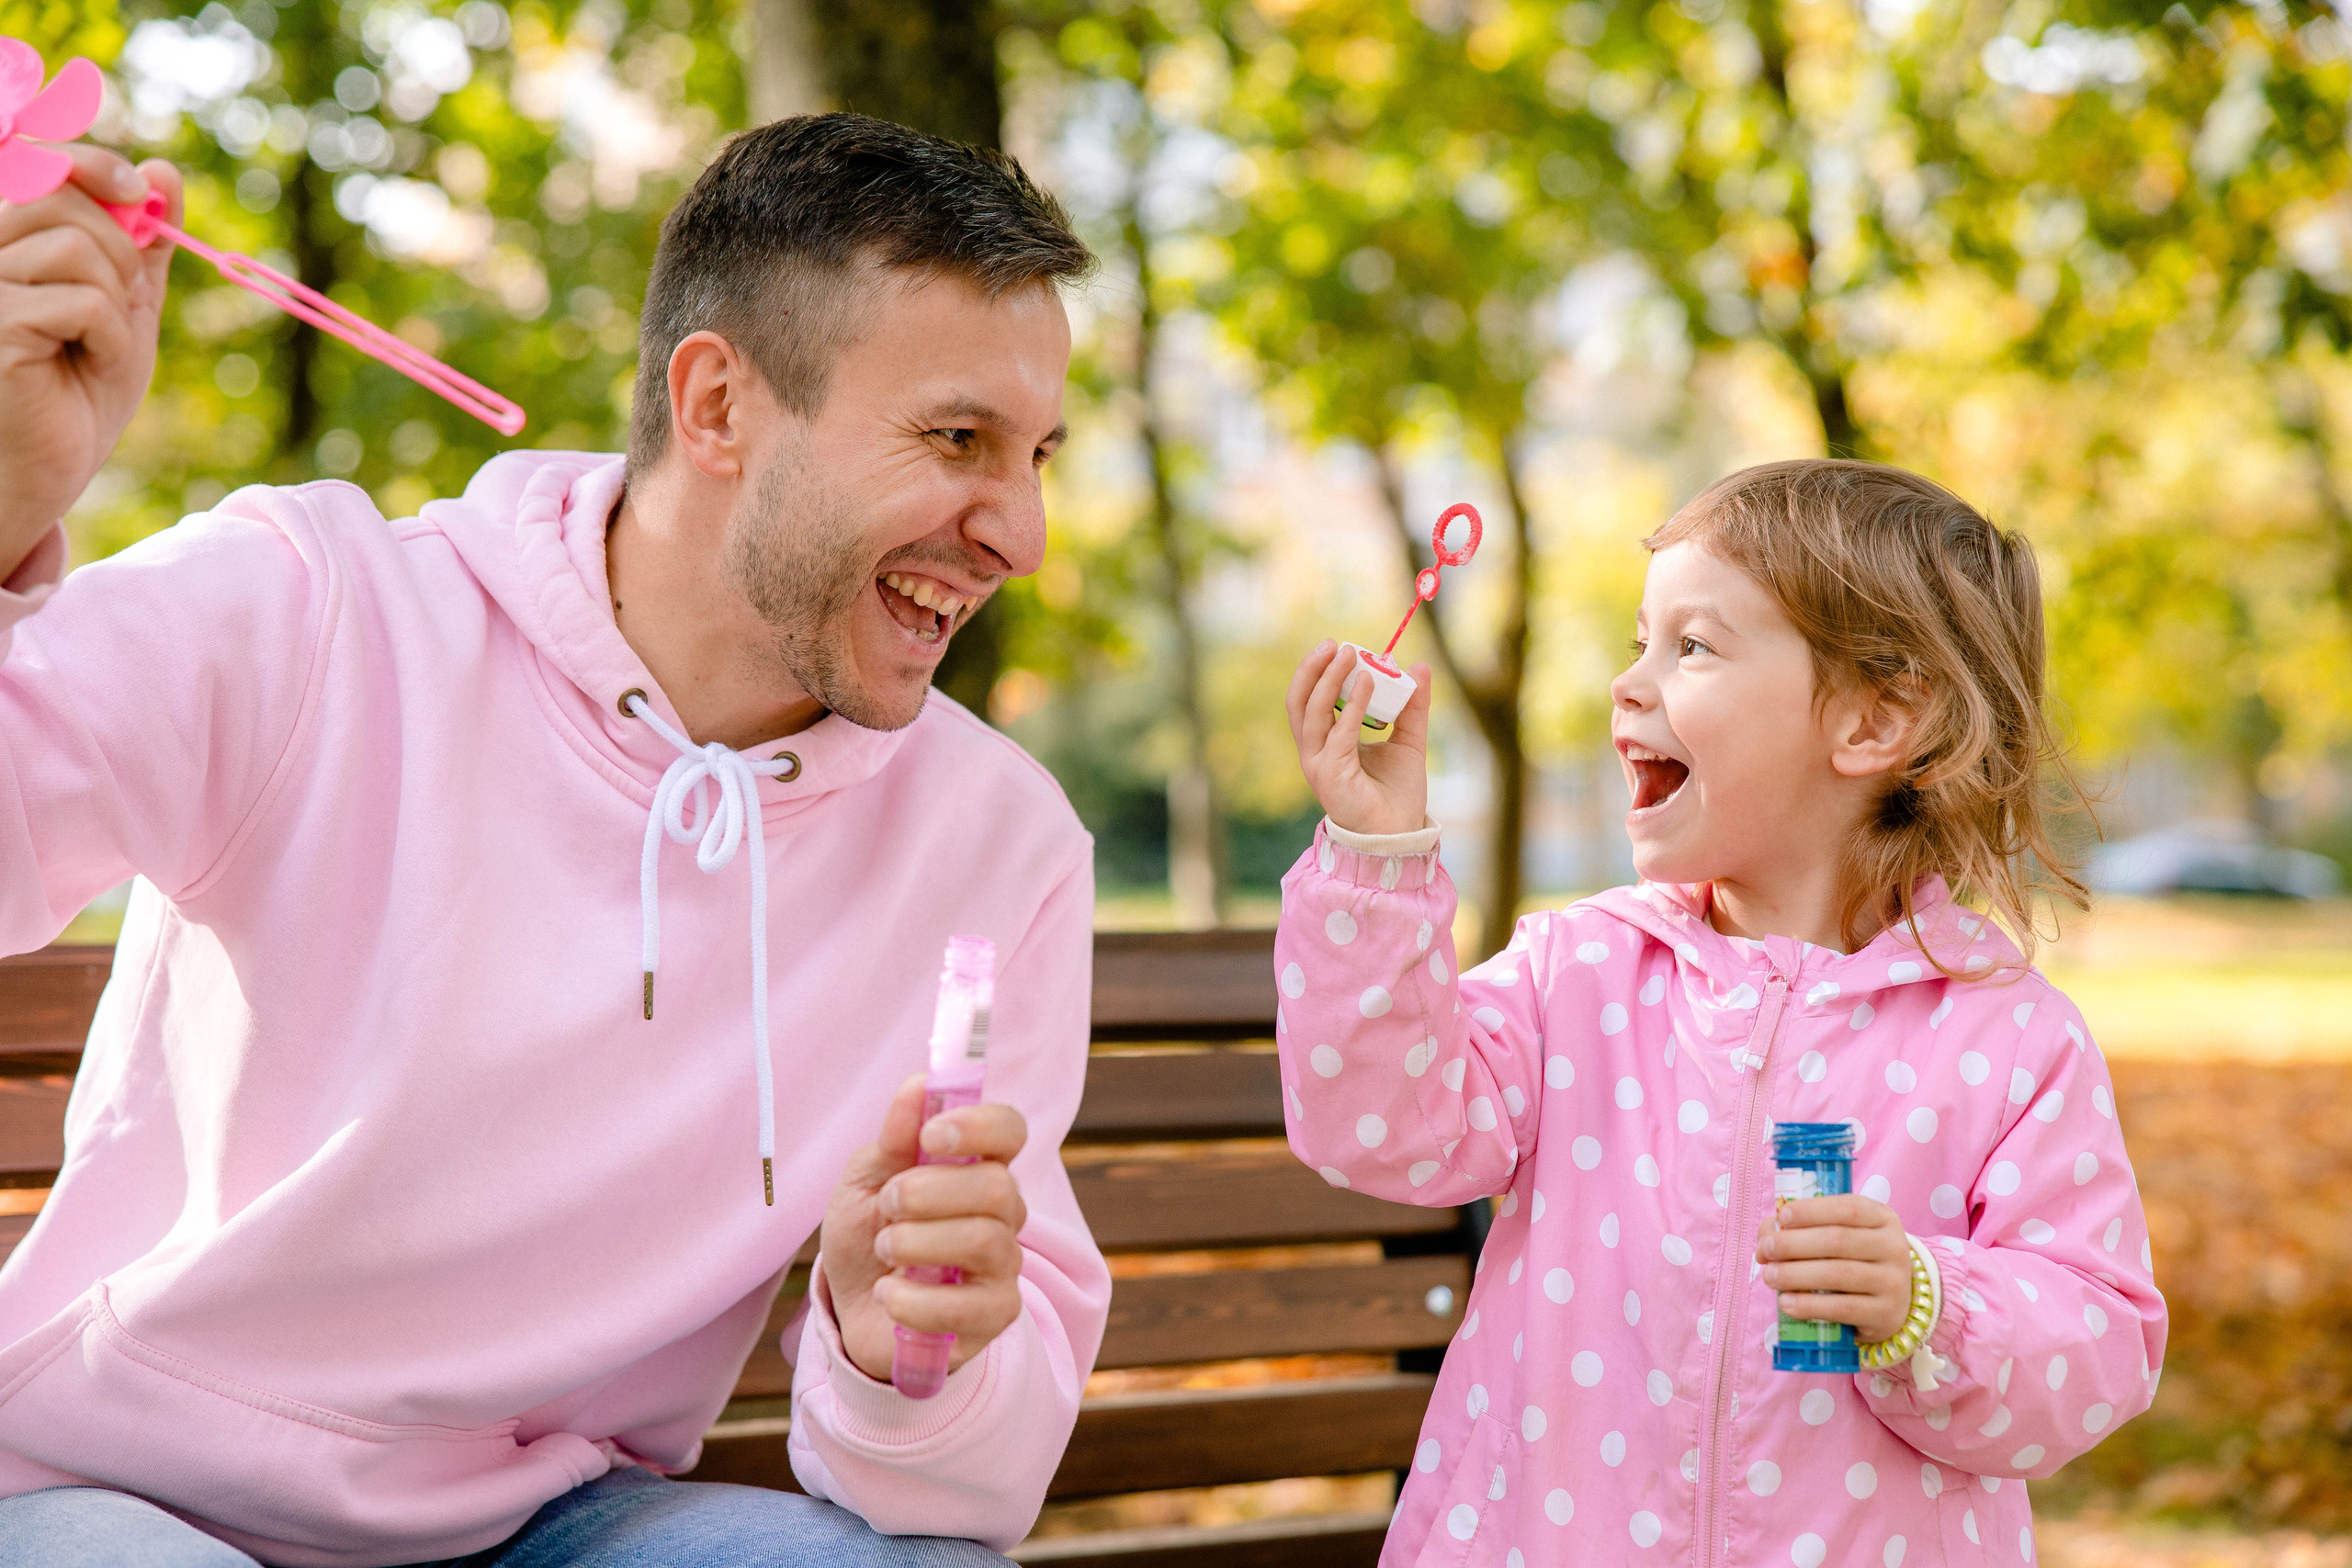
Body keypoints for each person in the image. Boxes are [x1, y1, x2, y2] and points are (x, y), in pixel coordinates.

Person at [0, 115, 1109, 1566]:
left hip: (564, 1521)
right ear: (718, 405)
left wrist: (901, 1350)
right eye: (957, 439)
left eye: (1037, 455)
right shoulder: (308, 607)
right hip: (127, 1493)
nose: (1020, 532)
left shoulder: (999, 847)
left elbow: (970, 1491)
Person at [1272, 460, 2166, 1565]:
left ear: (1874, 721)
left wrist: (1925, 1304)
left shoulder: (2008, 1041)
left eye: (1689, 646)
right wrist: (1376, 855)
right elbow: (1381, 1133)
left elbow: (2098, 1347)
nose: (1626, 684)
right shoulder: (1577, 976)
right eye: (1638, 641)